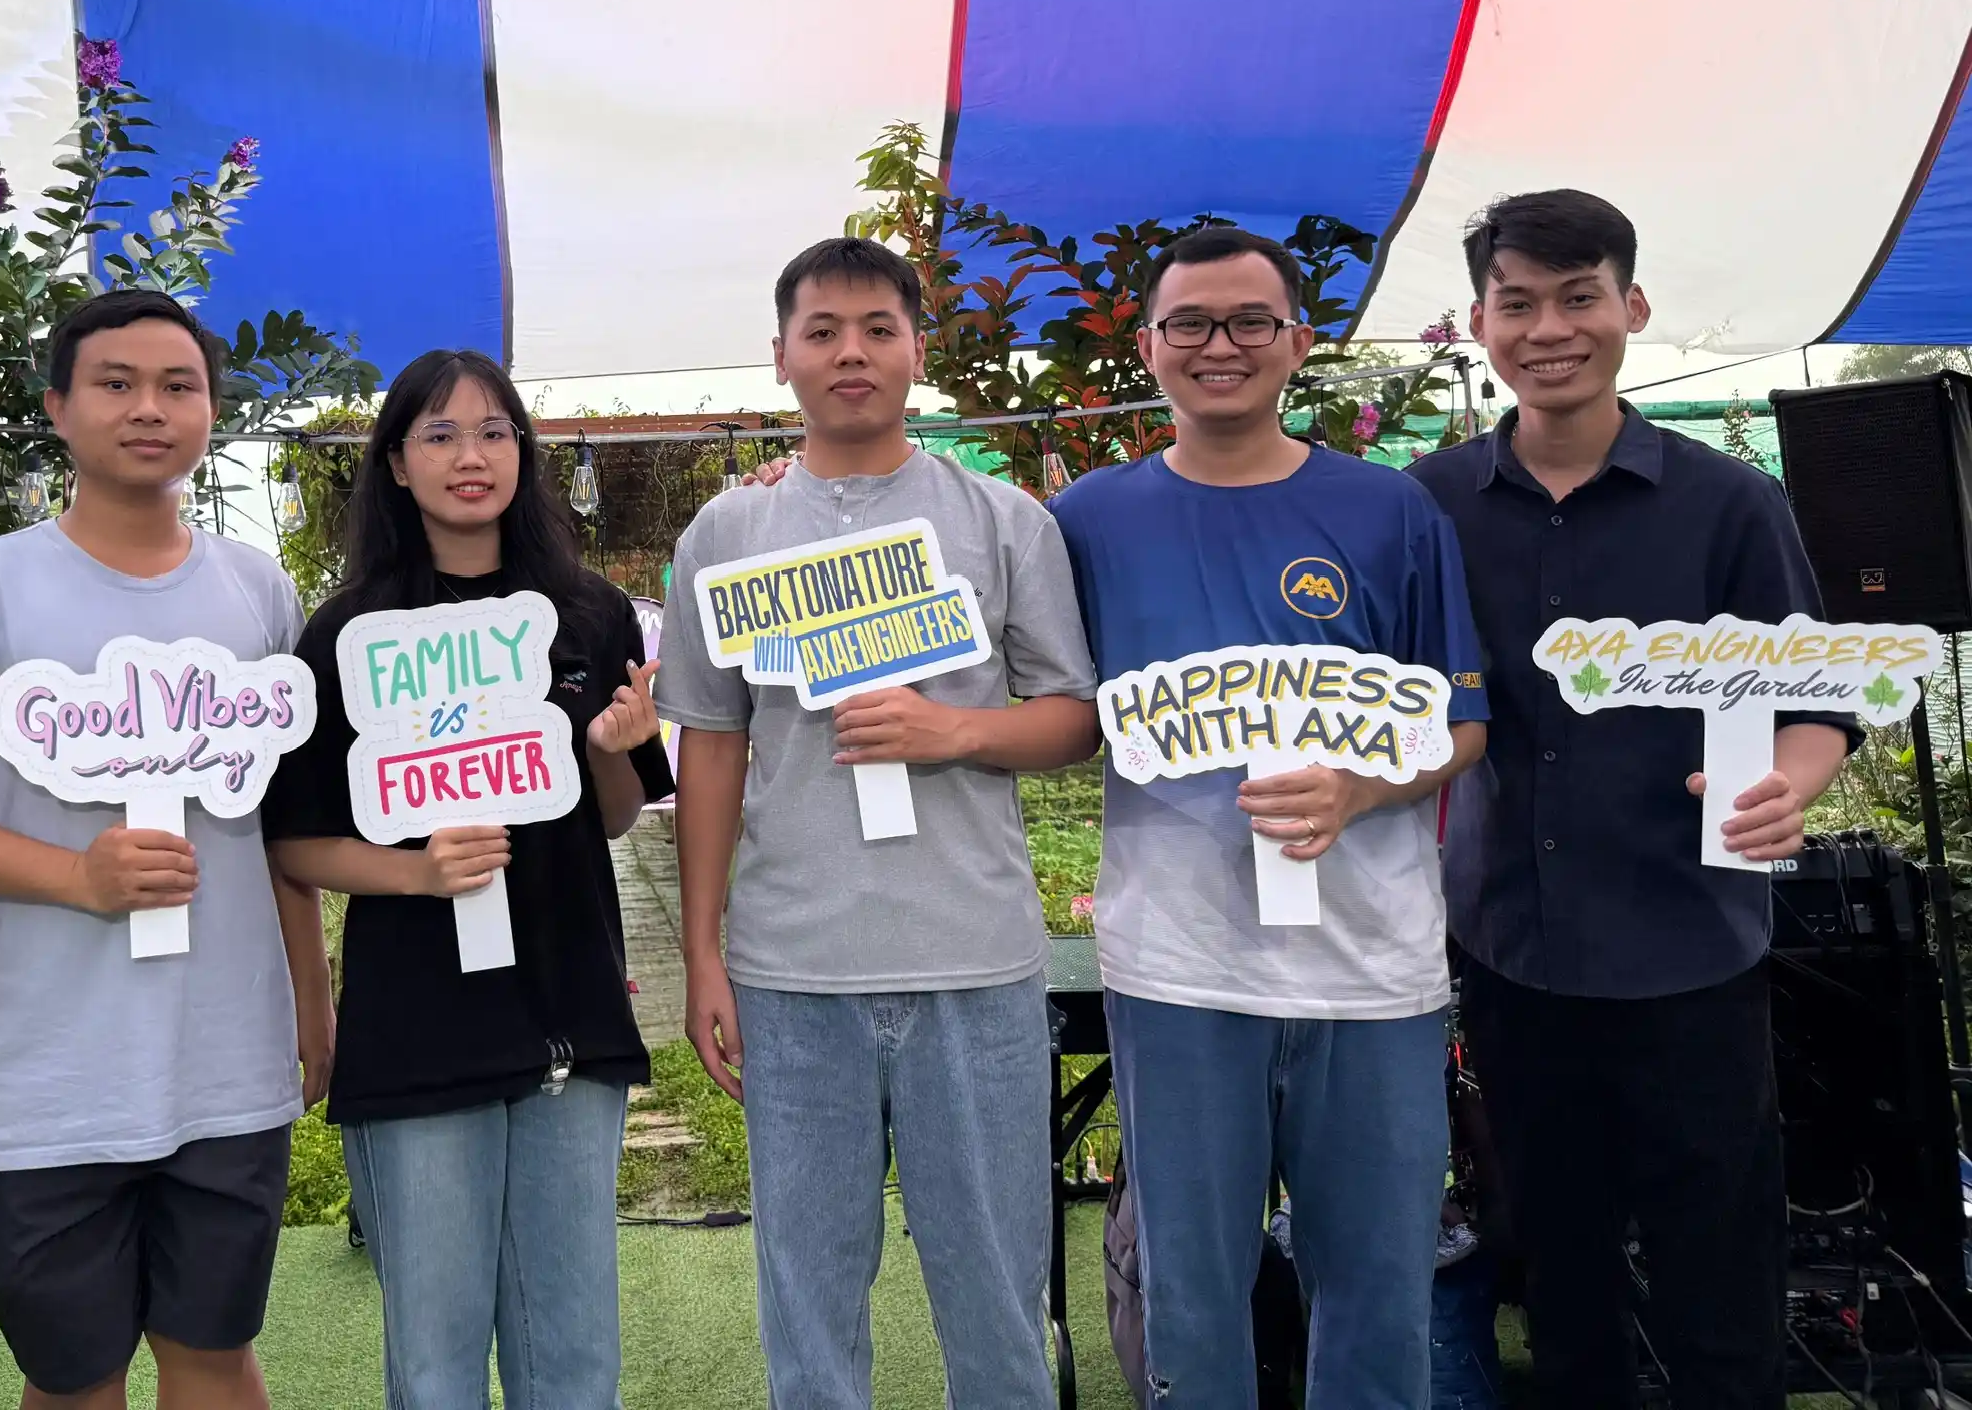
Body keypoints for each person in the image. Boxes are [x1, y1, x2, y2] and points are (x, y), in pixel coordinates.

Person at [1409, 190, 1851, 1405]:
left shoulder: (1727, 505)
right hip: (1511, 951)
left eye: (1577, 296)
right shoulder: (1429, 503)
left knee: (1720, 1275)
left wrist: (1785, 786)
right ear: (1480, 322)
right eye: (1518, 303)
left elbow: (1817, 697)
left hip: (1690, 949)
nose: (1548, 327)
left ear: (1629, 306)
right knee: (1557, 1270)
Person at [0, 288, 331, 1410]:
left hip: (227, 1062)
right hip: (46, 1078)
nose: (149, 409)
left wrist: (312, 1004)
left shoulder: (257, 590)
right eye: (115, 384)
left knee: (215, 1352)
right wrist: (76, 877)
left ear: (213, 410)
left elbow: (282, 829)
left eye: (179, 386)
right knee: (74, 1376)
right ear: (58, 409)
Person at [1049, 225, 1490, 1407]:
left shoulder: (1391, 513)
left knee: (1377, 1298)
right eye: (1189, 322)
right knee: (1192, 1305)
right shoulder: (1087, 521)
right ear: (1147, 347)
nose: (1220, 345)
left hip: (1371, 973)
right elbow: (1044, 701)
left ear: (1298, 341)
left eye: (1250, 320)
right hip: (1179, 968)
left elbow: (1461, 726)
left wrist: (1359, 788)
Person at [660, 236, 1103, 1409]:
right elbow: (709, 747)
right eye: (821, 331)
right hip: (793, 970)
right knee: (808, 1298)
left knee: (998, 1289)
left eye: (875, 328)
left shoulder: (1004, 521)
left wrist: (952, 731)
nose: (849, 353)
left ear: (919, 347)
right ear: (780, 356)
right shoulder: (726, 535)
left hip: (976, 962)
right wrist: (703, 951)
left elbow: (1072, 718)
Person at [261, 349, 673, 1408]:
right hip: (417, 1024)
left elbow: (618, 814)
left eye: (493, 432)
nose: (470, 457)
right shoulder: (346, 633)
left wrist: (611, 747)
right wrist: (415, 874)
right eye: (438, 435)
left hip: (567, 1009)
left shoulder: (588, 613)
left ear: (523, 452)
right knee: (435, 1356)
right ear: (396, 465)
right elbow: (293, 840)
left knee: (573, 1349)